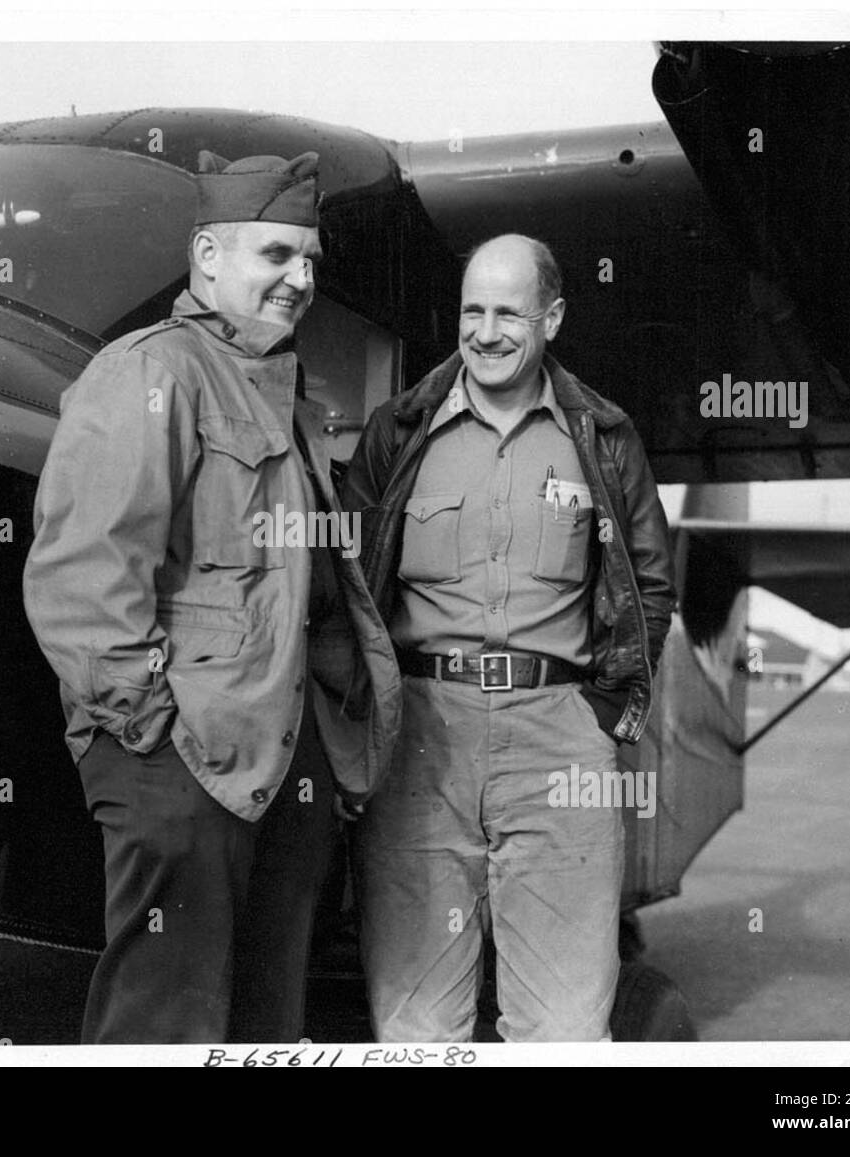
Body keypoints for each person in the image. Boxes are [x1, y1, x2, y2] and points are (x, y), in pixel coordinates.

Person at [23, 150, 401, 1044]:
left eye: (310, 259)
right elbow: (84, 573)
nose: (301, 279)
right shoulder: (152, 372)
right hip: (181, 753)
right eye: (275, 255)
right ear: (207, 254)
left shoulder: (287, 398)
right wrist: (152, 732)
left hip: (278, 755)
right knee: (167, 1021)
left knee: (268, 1024)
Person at [344, 233, 676, 1042]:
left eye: (508, 313)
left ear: (552, 317)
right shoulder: (400, 431)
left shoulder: (603, 436)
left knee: (562, 1029)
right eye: (471, 310)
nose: (485, 332)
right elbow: (345, 581)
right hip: (420, 738)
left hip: (559, 737)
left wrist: (606, 721)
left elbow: (648, 583)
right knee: (416, 1030)